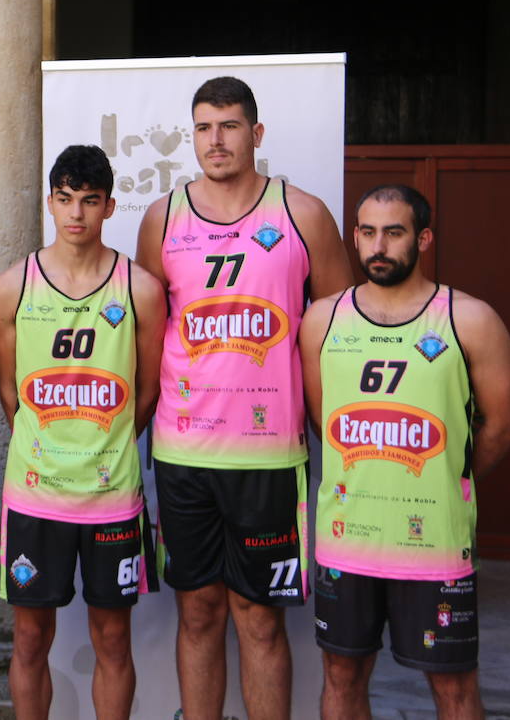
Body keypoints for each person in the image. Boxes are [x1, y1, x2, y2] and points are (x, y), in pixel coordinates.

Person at [135, 76, 352, 720]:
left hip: (269, 455)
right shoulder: (163, 217)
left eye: (229, 126)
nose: (215, 140)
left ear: (255, 134)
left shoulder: (301, 213)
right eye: (203, 128)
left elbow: (339, 331)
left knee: (258, 619)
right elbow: (149, 332)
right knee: (198, 611)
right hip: (184, 453)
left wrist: (330, 433)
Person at [299, 185, 510, 720]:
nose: (379, 246)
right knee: (341, 675)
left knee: (453, 685)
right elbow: (322, 419)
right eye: (368, 233)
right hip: (347, 540)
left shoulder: (470, 319)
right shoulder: (322, 321)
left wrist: (446, 480)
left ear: (421, 239)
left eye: (394, 233)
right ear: (354, 237)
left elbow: (503, 427)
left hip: (434, 543)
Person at [0, 145, 165, 720]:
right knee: (29, 639)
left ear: (110, 206)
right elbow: (11, 394)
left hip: (110, 497)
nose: (76, 214)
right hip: (36, 495)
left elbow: (144, 392)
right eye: (65, 199)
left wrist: (105, 443)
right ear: (50, 202)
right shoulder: (14, 285)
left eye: (90, 201)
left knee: (112, 639)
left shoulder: (138, 288)